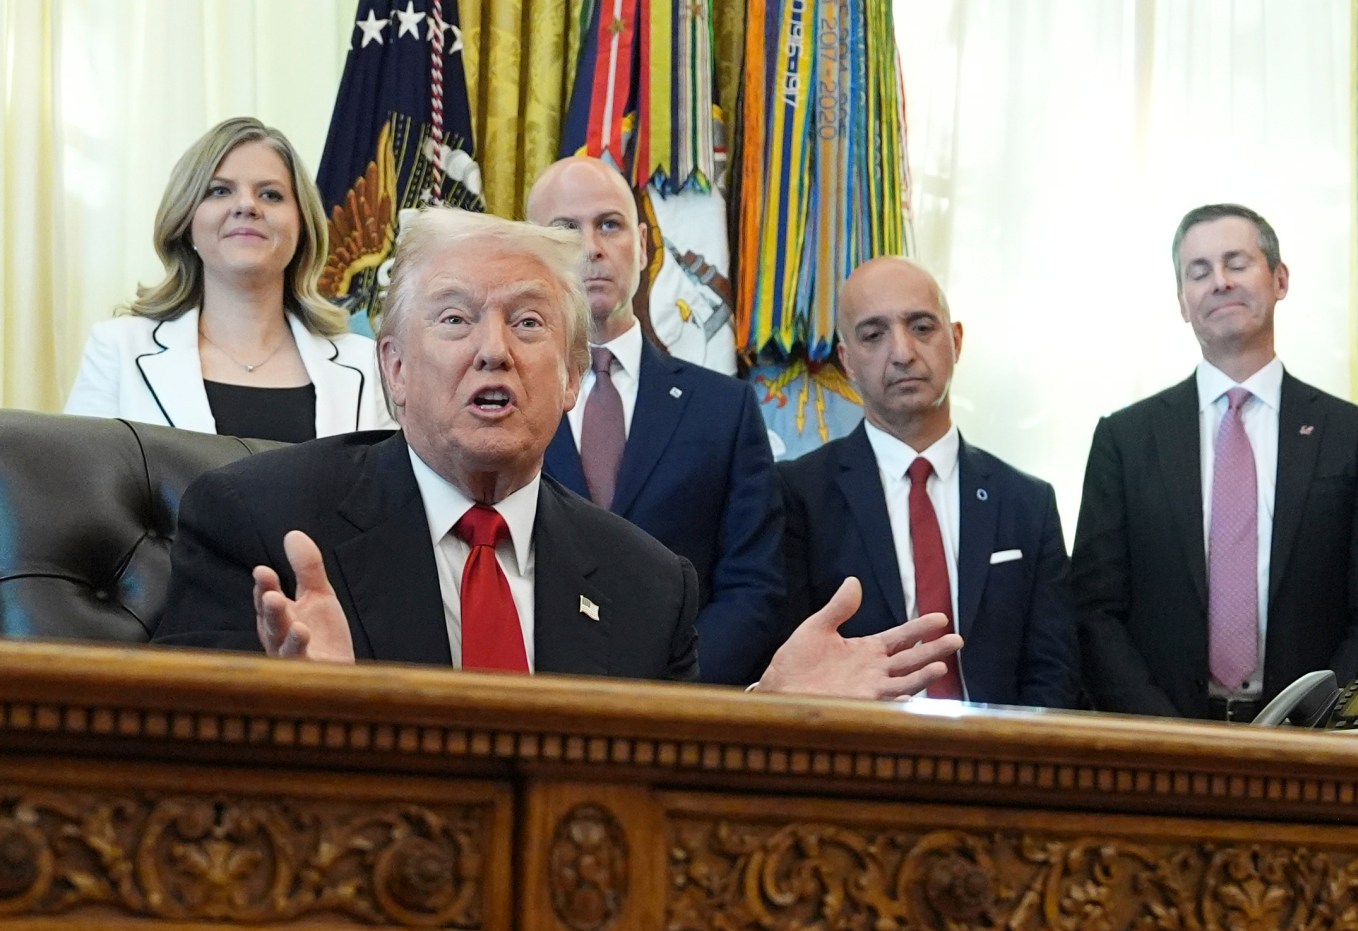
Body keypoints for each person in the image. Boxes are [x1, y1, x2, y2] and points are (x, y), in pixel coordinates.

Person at [152, 208, 959, 702]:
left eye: (529, 324)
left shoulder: (650, 585)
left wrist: (766, 707)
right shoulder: (261, 525)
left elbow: (653, 801)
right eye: (455, 320)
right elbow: (170, 794)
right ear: (393, 367)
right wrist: (301, 714)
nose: (494, 352)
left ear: (574, 377)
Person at [1073, 203, 1358, 721]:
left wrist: (1318, 724)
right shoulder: (1126, 438)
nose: (1220, 282)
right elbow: (1096, 612)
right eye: (1199, 272)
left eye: (1237, 263)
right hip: (1161, 738)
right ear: (1183, 302)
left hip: (1312, 740)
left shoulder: (1353, 436)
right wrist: (1162, 732)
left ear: (1280, 279)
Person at [523, 156, 788, 685]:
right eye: (564, 230)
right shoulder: (500, 399)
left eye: (610, 224)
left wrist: (669, 691)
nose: (592, 248)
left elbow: (754, 588)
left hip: (682, 713)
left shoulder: (724, 410)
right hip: (533, 702)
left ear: (643, 244)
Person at [776, 257, 1077, 708]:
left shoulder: (1027, 503)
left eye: (921, 327)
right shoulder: (797, 494)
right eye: (874, 335)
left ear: (955, 341)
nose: (902, 352)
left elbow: (1054, 675)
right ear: (847, 361)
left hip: (996, 762)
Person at [64, 117, 390, 441]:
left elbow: (394, 490)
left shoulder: (365, 362)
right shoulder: (118, 350)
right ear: (186, 220)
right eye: (219, 191)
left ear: (302, 226)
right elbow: (79, 486)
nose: (247, 205)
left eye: (271, 195)